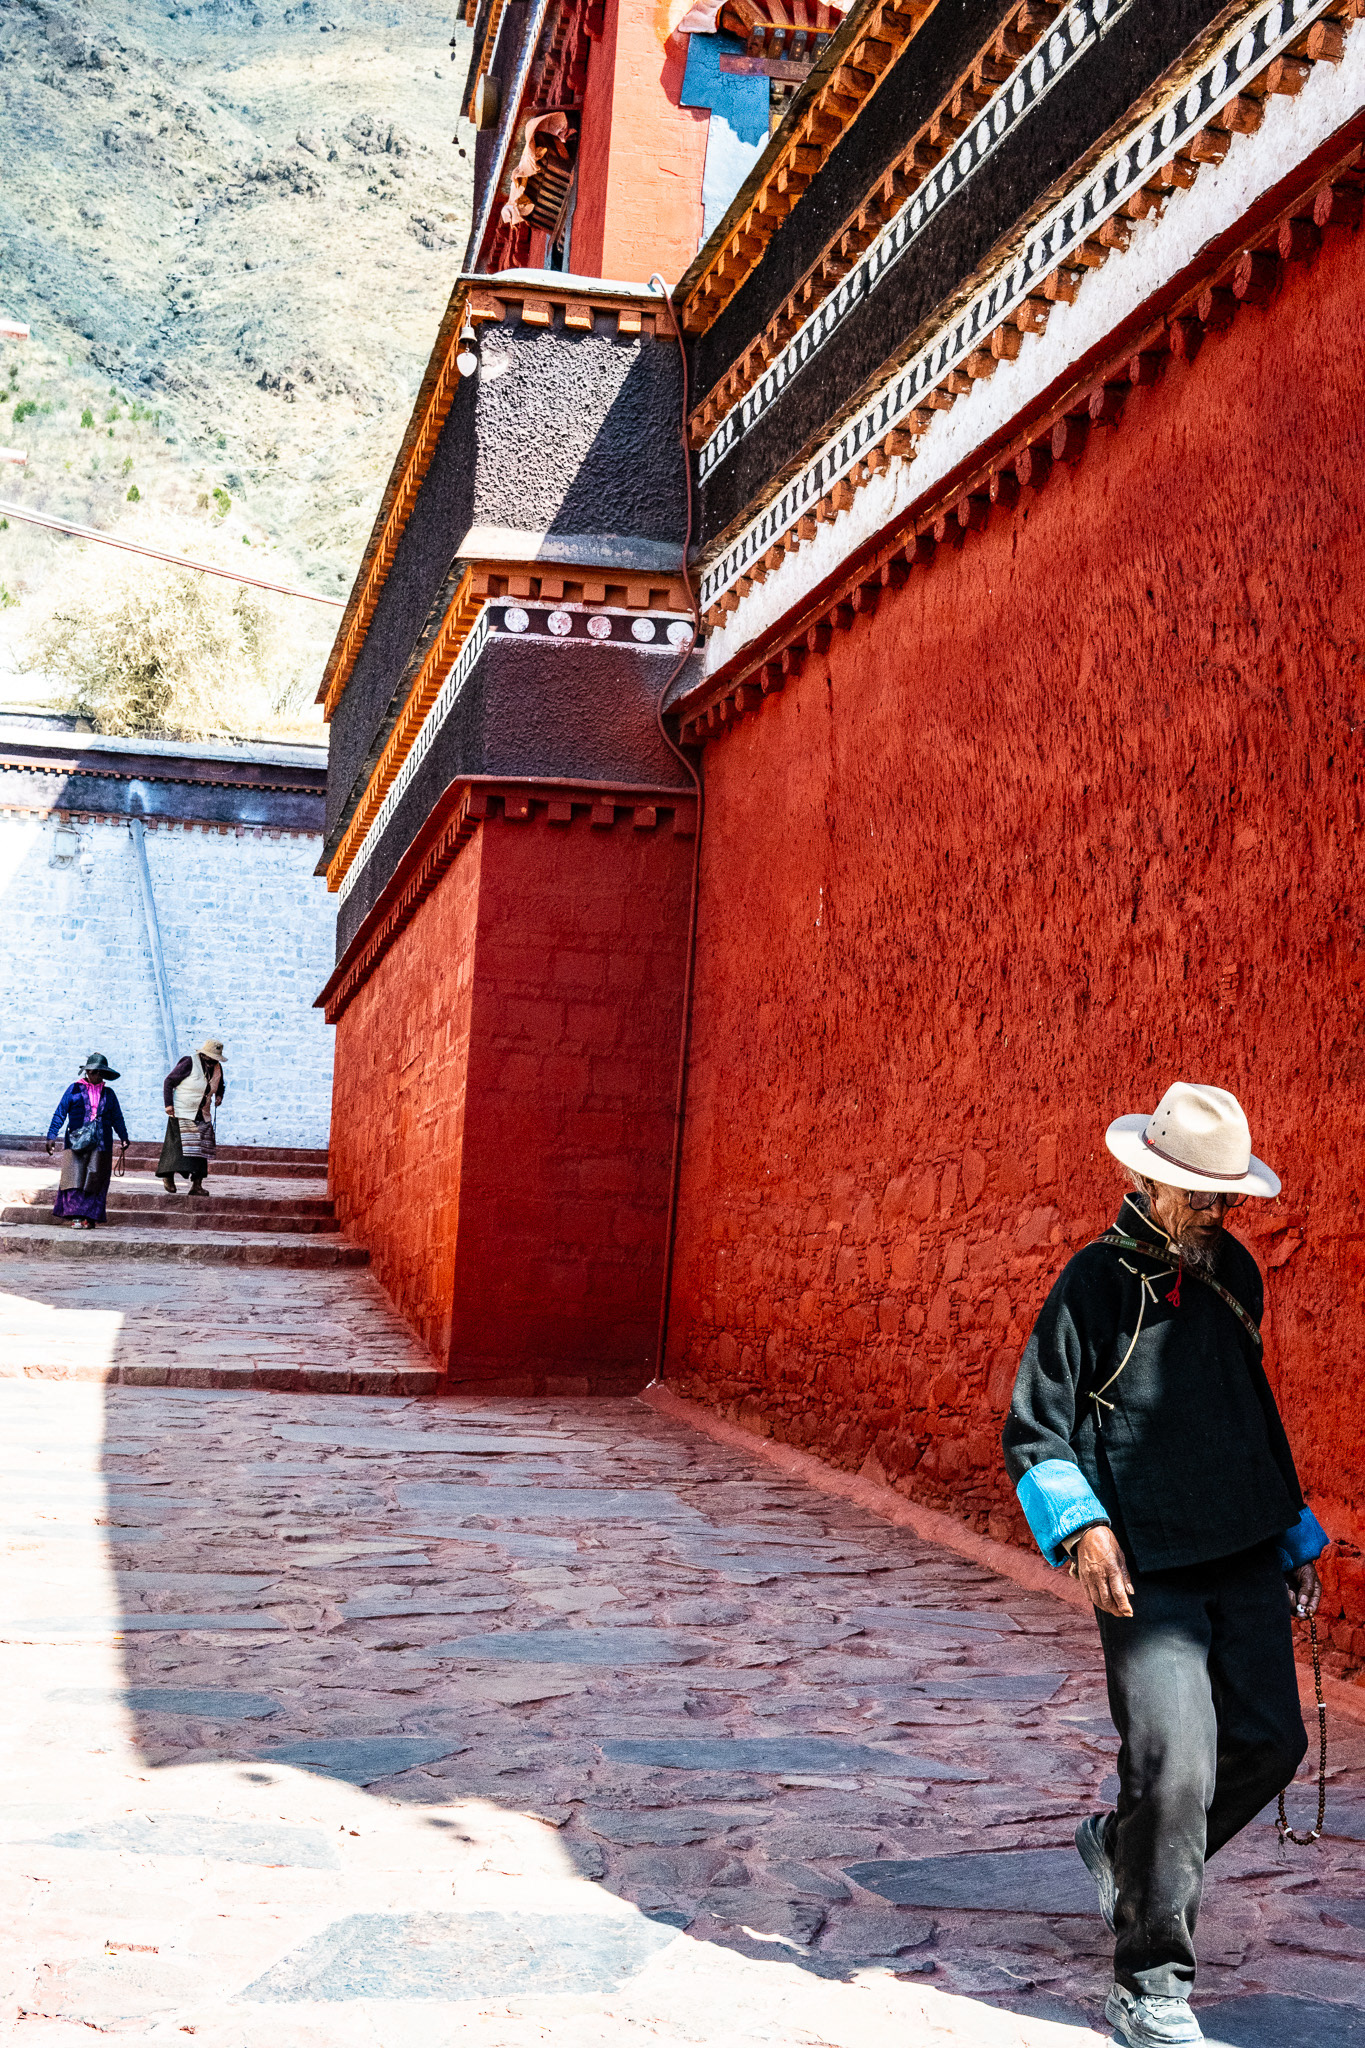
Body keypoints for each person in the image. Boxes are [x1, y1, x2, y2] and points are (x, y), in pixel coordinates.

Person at [1002, 1082, 1327, 2048]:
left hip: (1238, 1545)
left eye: (1225, 1198)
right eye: (1198, 1194)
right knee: (1174, 1767)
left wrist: (1291, 1535)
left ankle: (1123, 1851)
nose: (1214, 1214)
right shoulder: (1090, 1286)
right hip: (1143, 1566)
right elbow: (1034, 1427)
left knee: (1272, 1743)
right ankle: (1151, 1981)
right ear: (1147, 1180)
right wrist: (1081, 1531)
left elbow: (1245, 1412)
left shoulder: (1232, 1273)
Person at [45, 1053, 129, 1229]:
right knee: (74, 1177)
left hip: (101, 1142)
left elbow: (117, 1118)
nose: (97, 1075)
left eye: (100, 1073)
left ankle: (89, 1218)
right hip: (75, 1141)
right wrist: (52, 1135)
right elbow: (60, 1112)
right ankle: (76, 1216)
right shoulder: (73, 1090)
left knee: (95, 1178)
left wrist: (123, 1137)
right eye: (94, 1072)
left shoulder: (109, 1094)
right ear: (87, 1072)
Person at [158, 1036, 225, 1196]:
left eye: (215, 1059)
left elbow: (220, 1084)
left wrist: (219, 1096)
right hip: (182, 1111)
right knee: (177, 1148)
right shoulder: (189, 1062)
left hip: (202, 1113)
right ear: (203, 1055)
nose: (212, 1062)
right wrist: (168, 1104)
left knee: (202, 1149)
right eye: (210, 1059)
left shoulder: (217, 1068)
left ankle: (197, 1184)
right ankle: (168, 1176)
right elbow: (169, 1081)